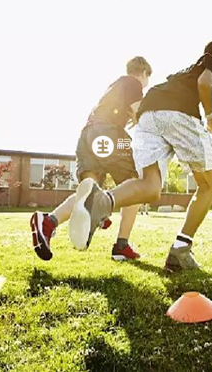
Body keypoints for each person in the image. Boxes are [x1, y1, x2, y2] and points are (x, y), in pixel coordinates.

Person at [64, 41, 212, 273]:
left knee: (150, 187)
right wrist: (210, 117)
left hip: (148, 115)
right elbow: (204, 83)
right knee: (210, 183)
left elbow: (142, 107)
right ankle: (180, 250)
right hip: (176, 115)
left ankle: (102, 202)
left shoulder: (178, 76)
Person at [30, 57, 152, 262]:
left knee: (88, 192)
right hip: (109, 134)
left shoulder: (113, 87)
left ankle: (48, 222)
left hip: (88, 135)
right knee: (136, 186)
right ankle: (121, 245)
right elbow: (140, 113)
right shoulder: (133, 82)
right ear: (145, 73)